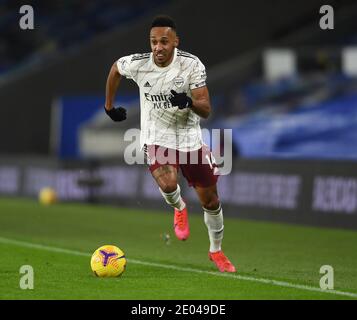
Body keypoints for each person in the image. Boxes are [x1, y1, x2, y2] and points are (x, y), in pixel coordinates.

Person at [104, 15, 236, 272]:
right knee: (168, 182)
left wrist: (188, 102)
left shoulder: (191, 65)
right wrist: (109, 107)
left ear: (175, 41)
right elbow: (115, 70)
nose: (158, 47)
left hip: (189, 139)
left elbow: (206, 109)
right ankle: (179, 207)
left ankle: (216, 251)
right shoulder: (139, 64)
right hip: (157, 136)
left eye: (164, 41)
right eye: (153, 42)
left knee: (211, 201)